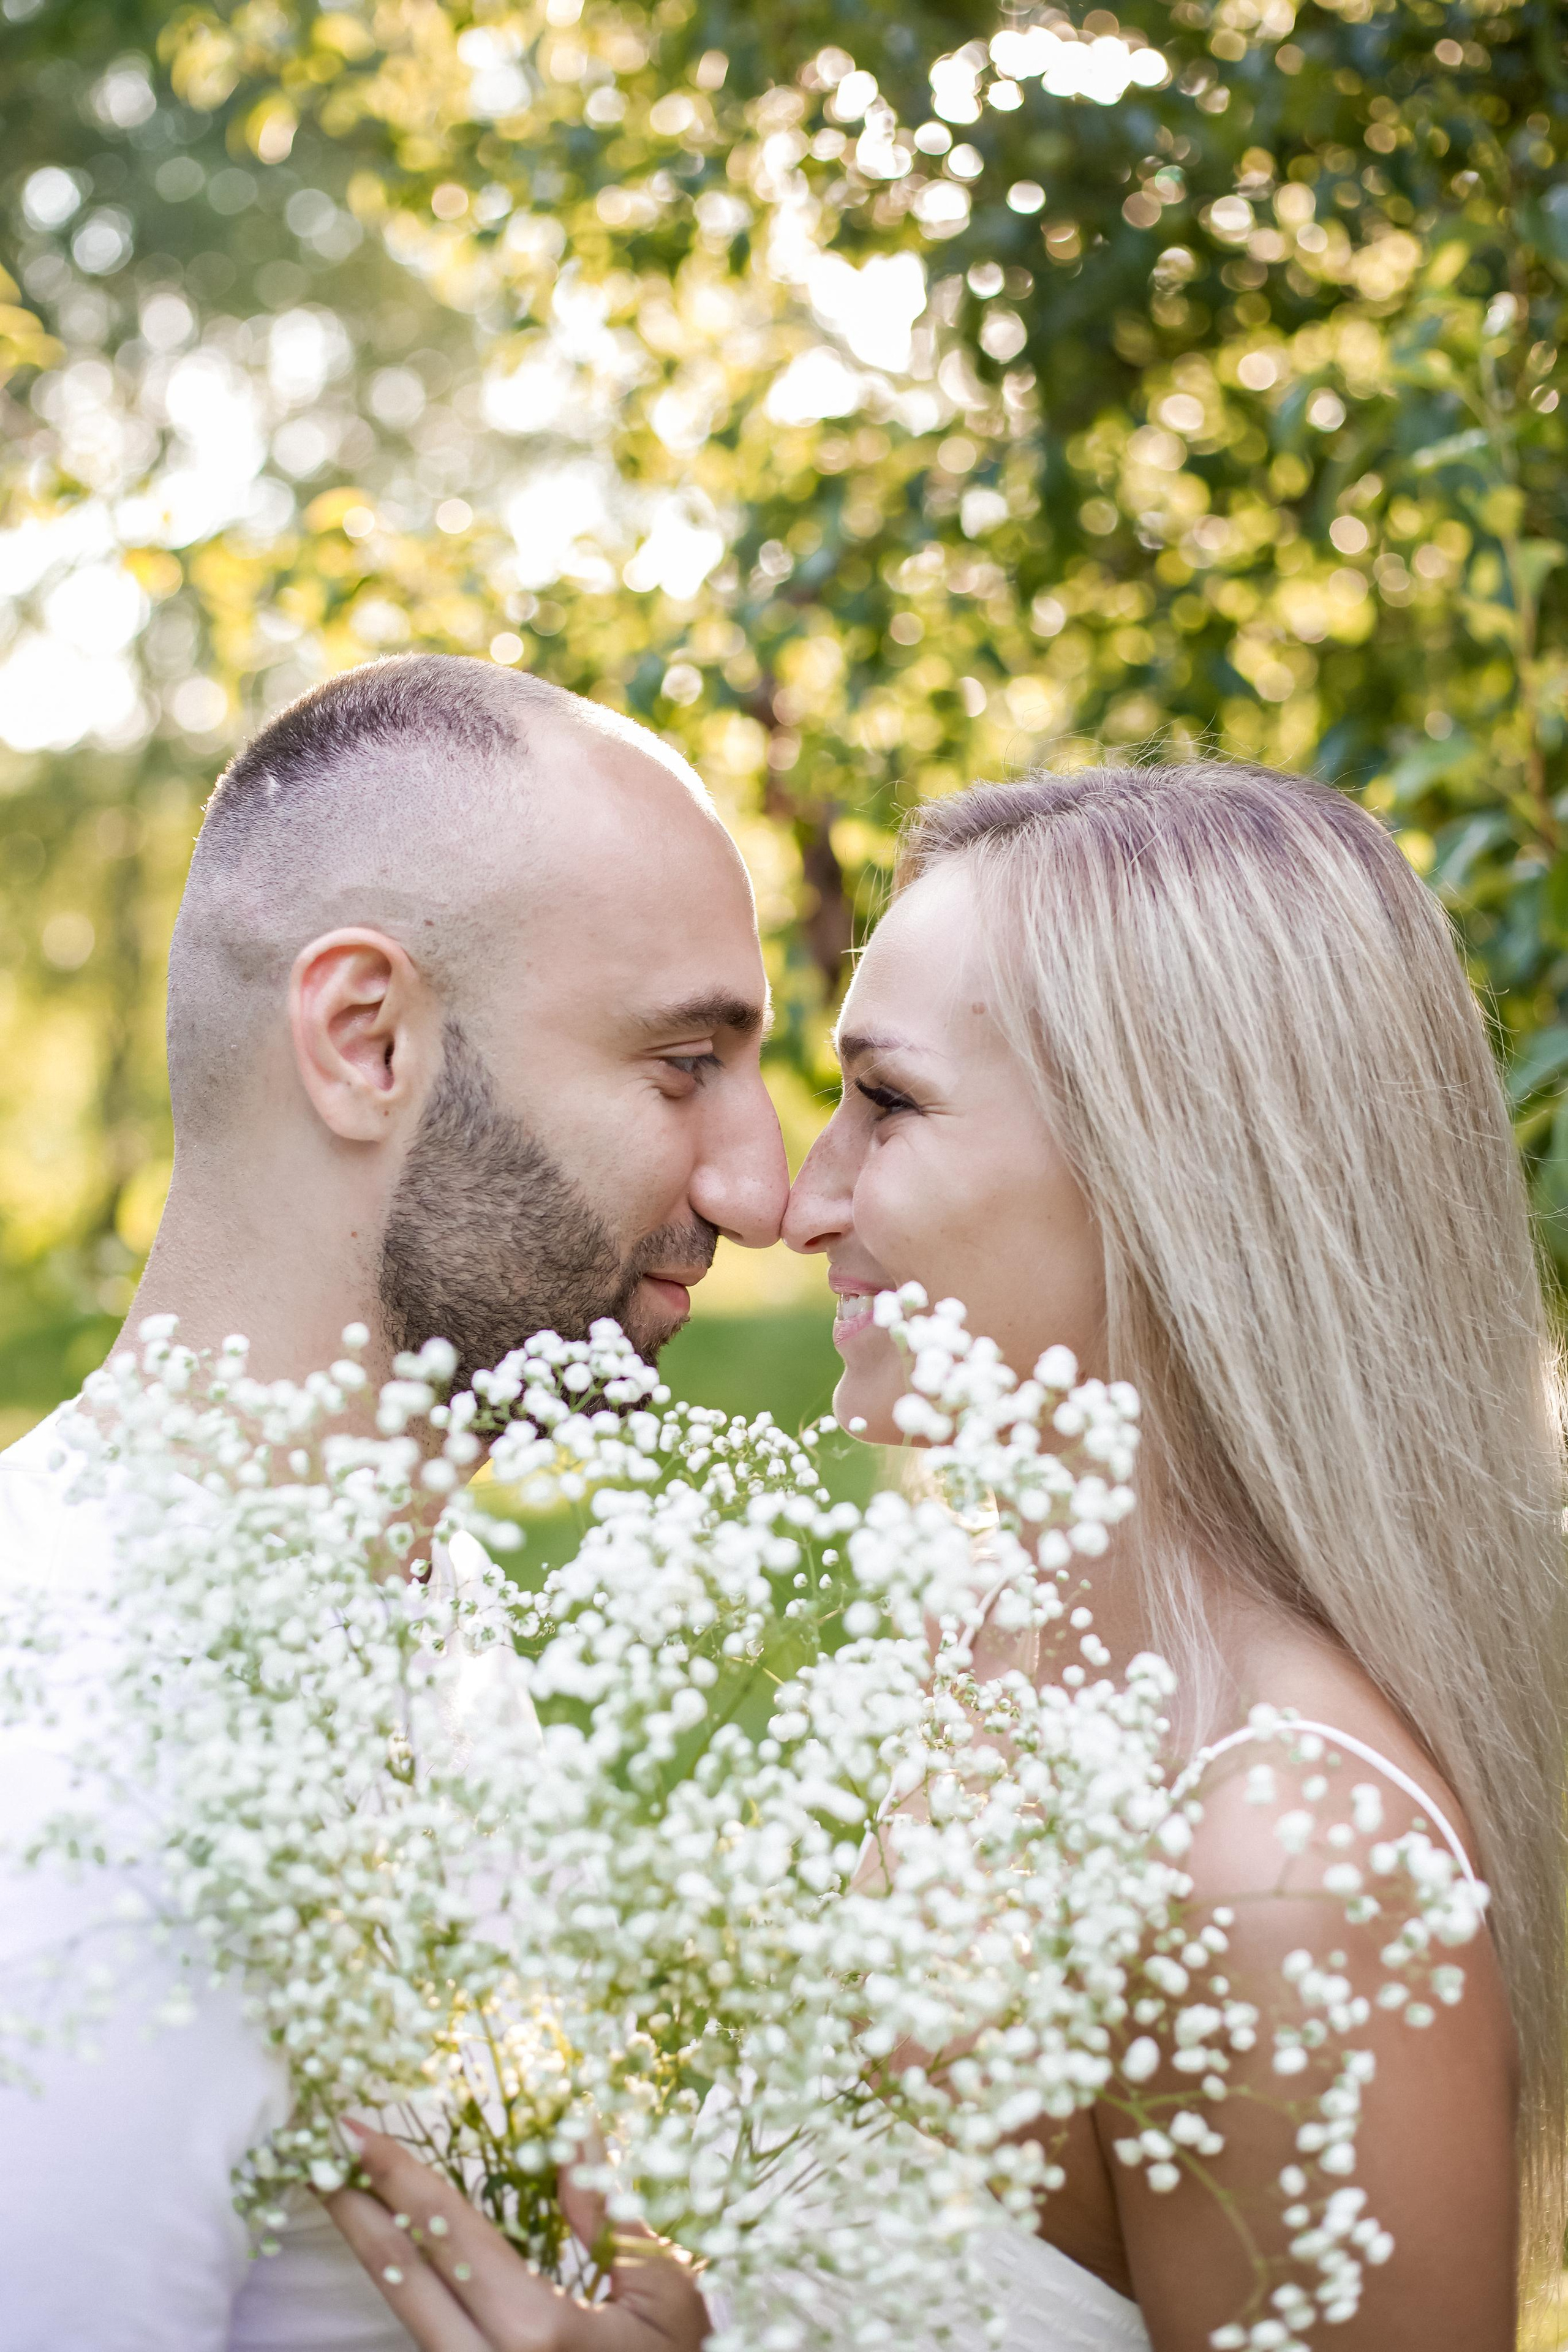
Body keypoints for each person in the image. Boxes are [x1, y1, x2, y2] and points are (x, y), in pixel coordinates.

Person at [333, 763, 1566, 2351]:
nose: (795, 1196)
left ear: (1169, 1174)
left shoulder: (1288, 1874)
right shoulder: (1010, 1642)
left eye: (888, 1104)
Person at [0, 652, 788, 2350]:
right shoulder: (75, 1758)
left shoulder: (412, 1588)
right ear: (368, 1040)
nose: (763, 1183)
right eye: (680, 1065)